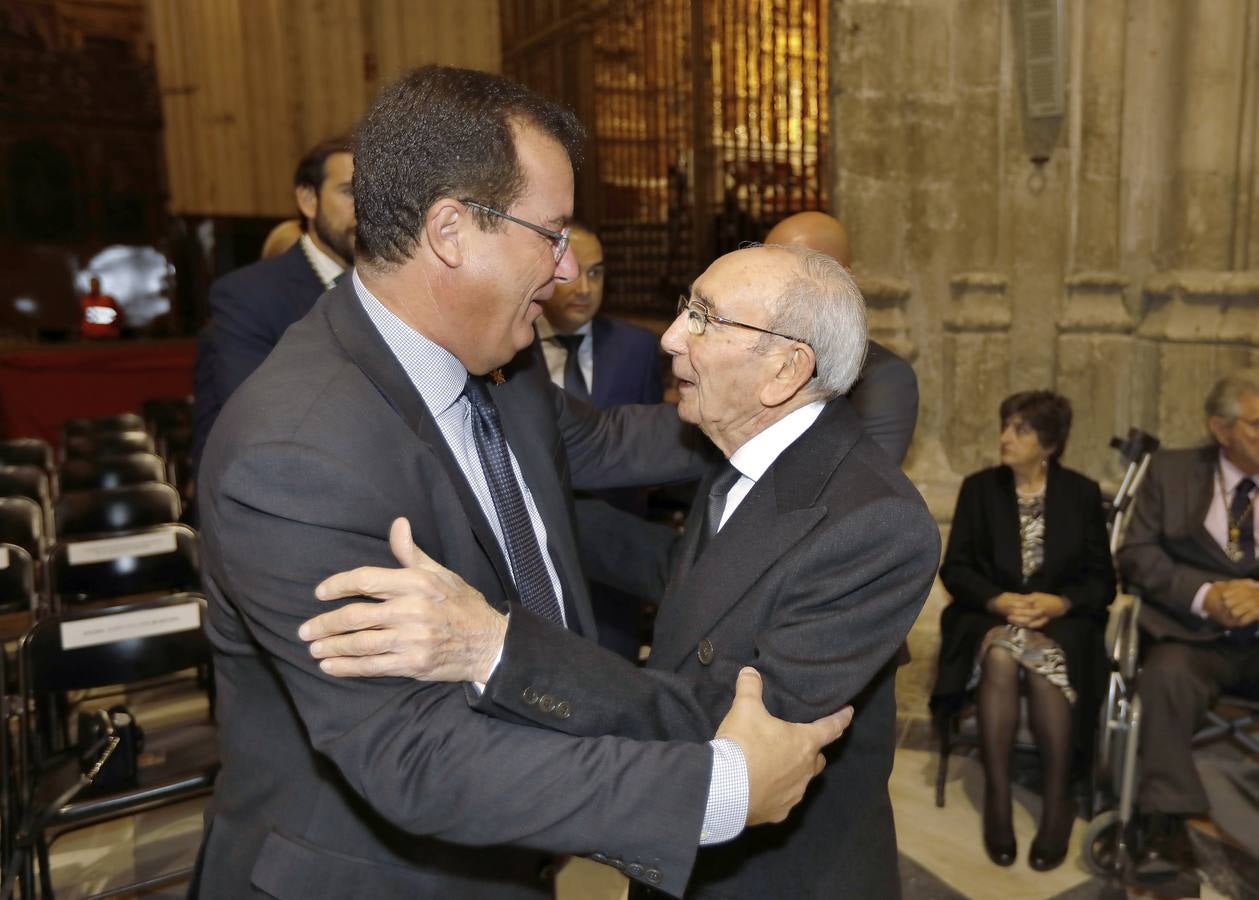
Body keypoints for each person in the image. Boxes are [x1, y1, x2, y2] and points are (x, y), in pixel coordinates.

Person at [194, 66, 849, 900]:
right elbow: (415, 753)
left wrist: (765, 408)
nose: (569, 268)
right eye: (551, 232)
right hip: (378, 877)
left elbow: (604, 440)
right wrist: (721, 789)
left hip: (511, 843)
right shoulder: (294, 456)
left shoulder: (496, 354)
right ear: (451, 231)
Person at [301, 243, 942, 898]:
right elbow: (699, 581)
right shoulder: (754, 449)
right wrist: (506, 510)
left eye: (703, 319)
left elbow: (733, 734)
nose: (669, 339)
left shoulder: (877, 524)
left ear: (783, 368)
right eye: (683, 309)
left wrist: (499, 647)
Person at [931, 391, 1114, 870]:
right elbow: (957, 569)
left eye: (1021, 430)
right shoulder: (979, 488)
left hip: (1063, 623)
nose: (1005, 438)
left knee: (1036, 664)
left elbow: (1102, 581)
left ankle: (1058, 799)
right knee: (999, 655)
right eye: (1005, 426)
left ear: (1049, 445)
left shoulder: (1081, 493)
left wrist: (1060, 601)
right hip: (988, 617)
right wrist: (998, 600)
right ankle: (997, 796)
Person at [1118, 368, 1259, 878]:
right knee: (1165, 676)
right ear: (1221, 429)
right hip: (1193, 637)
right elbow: (1136, 555)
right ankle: (1163, 825)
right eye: (1257, 425)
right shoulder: (1171, 472)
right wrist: (1206, 595)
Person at [535, 222, 663, 658]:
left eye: (598, 273)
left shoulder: (638, 348)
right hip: (541, 559)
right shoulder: (512, 353)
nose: (585, 288)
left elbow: (647, 454)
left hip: (620, 565)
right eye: (570, 275)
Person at [191, 135, 355, 465]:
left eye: (377, 195)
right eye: (350, 192)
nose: (366, 209)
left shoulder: (390, 289)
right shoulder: (247, 295)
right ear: (309, 200)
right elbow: (257, 422)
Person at [764, 211, 918, 464]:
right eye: (766, 270)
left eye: (791, 271)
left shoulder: (881, 375)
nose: (773, 286)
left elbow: (864, 480)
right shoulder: (754, 352)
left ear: (841, 279)